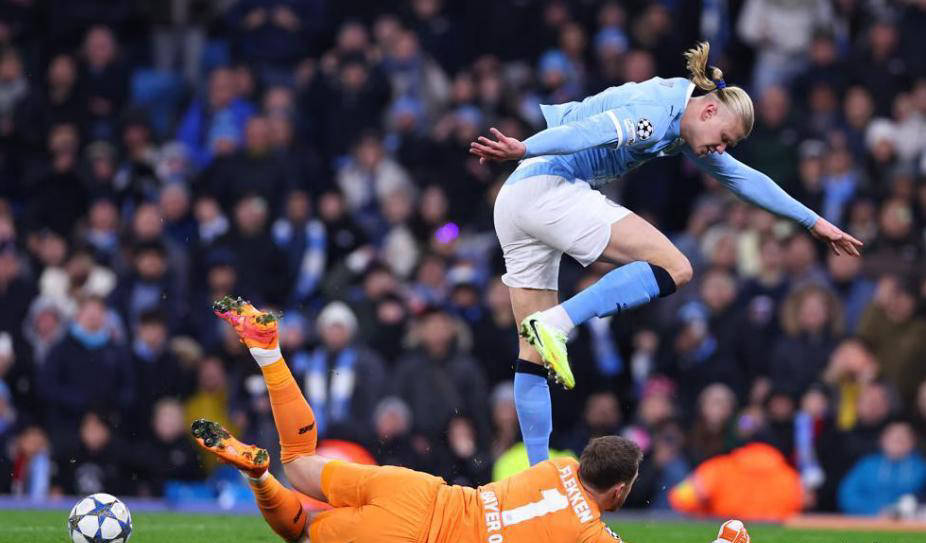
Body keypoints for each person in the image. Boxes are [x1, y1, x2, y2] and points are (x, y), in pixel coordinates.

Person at [469, 41, 862, 466]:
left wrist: (813, 222)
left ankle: (537, 473)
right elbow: (591, 132)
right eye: (723, 139)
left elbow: (743, 178)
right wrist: (526, 146)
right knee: (675, 267)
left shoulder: (683, 123)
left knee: (532, 352)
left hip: (515, 199)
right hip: (549, 183)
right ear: (708, 111)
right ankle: (558, 322)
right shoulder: (656, 113)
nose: (721, 150)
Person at [195, 296, 645, 543]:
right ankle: (258, 477)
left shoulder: (560, 466)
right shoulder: (590, 536)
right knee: (301, 532)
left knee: (297, 463)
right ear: (619, 490)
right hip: (414, 535)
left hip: (417, 489)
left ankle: (270, 355)